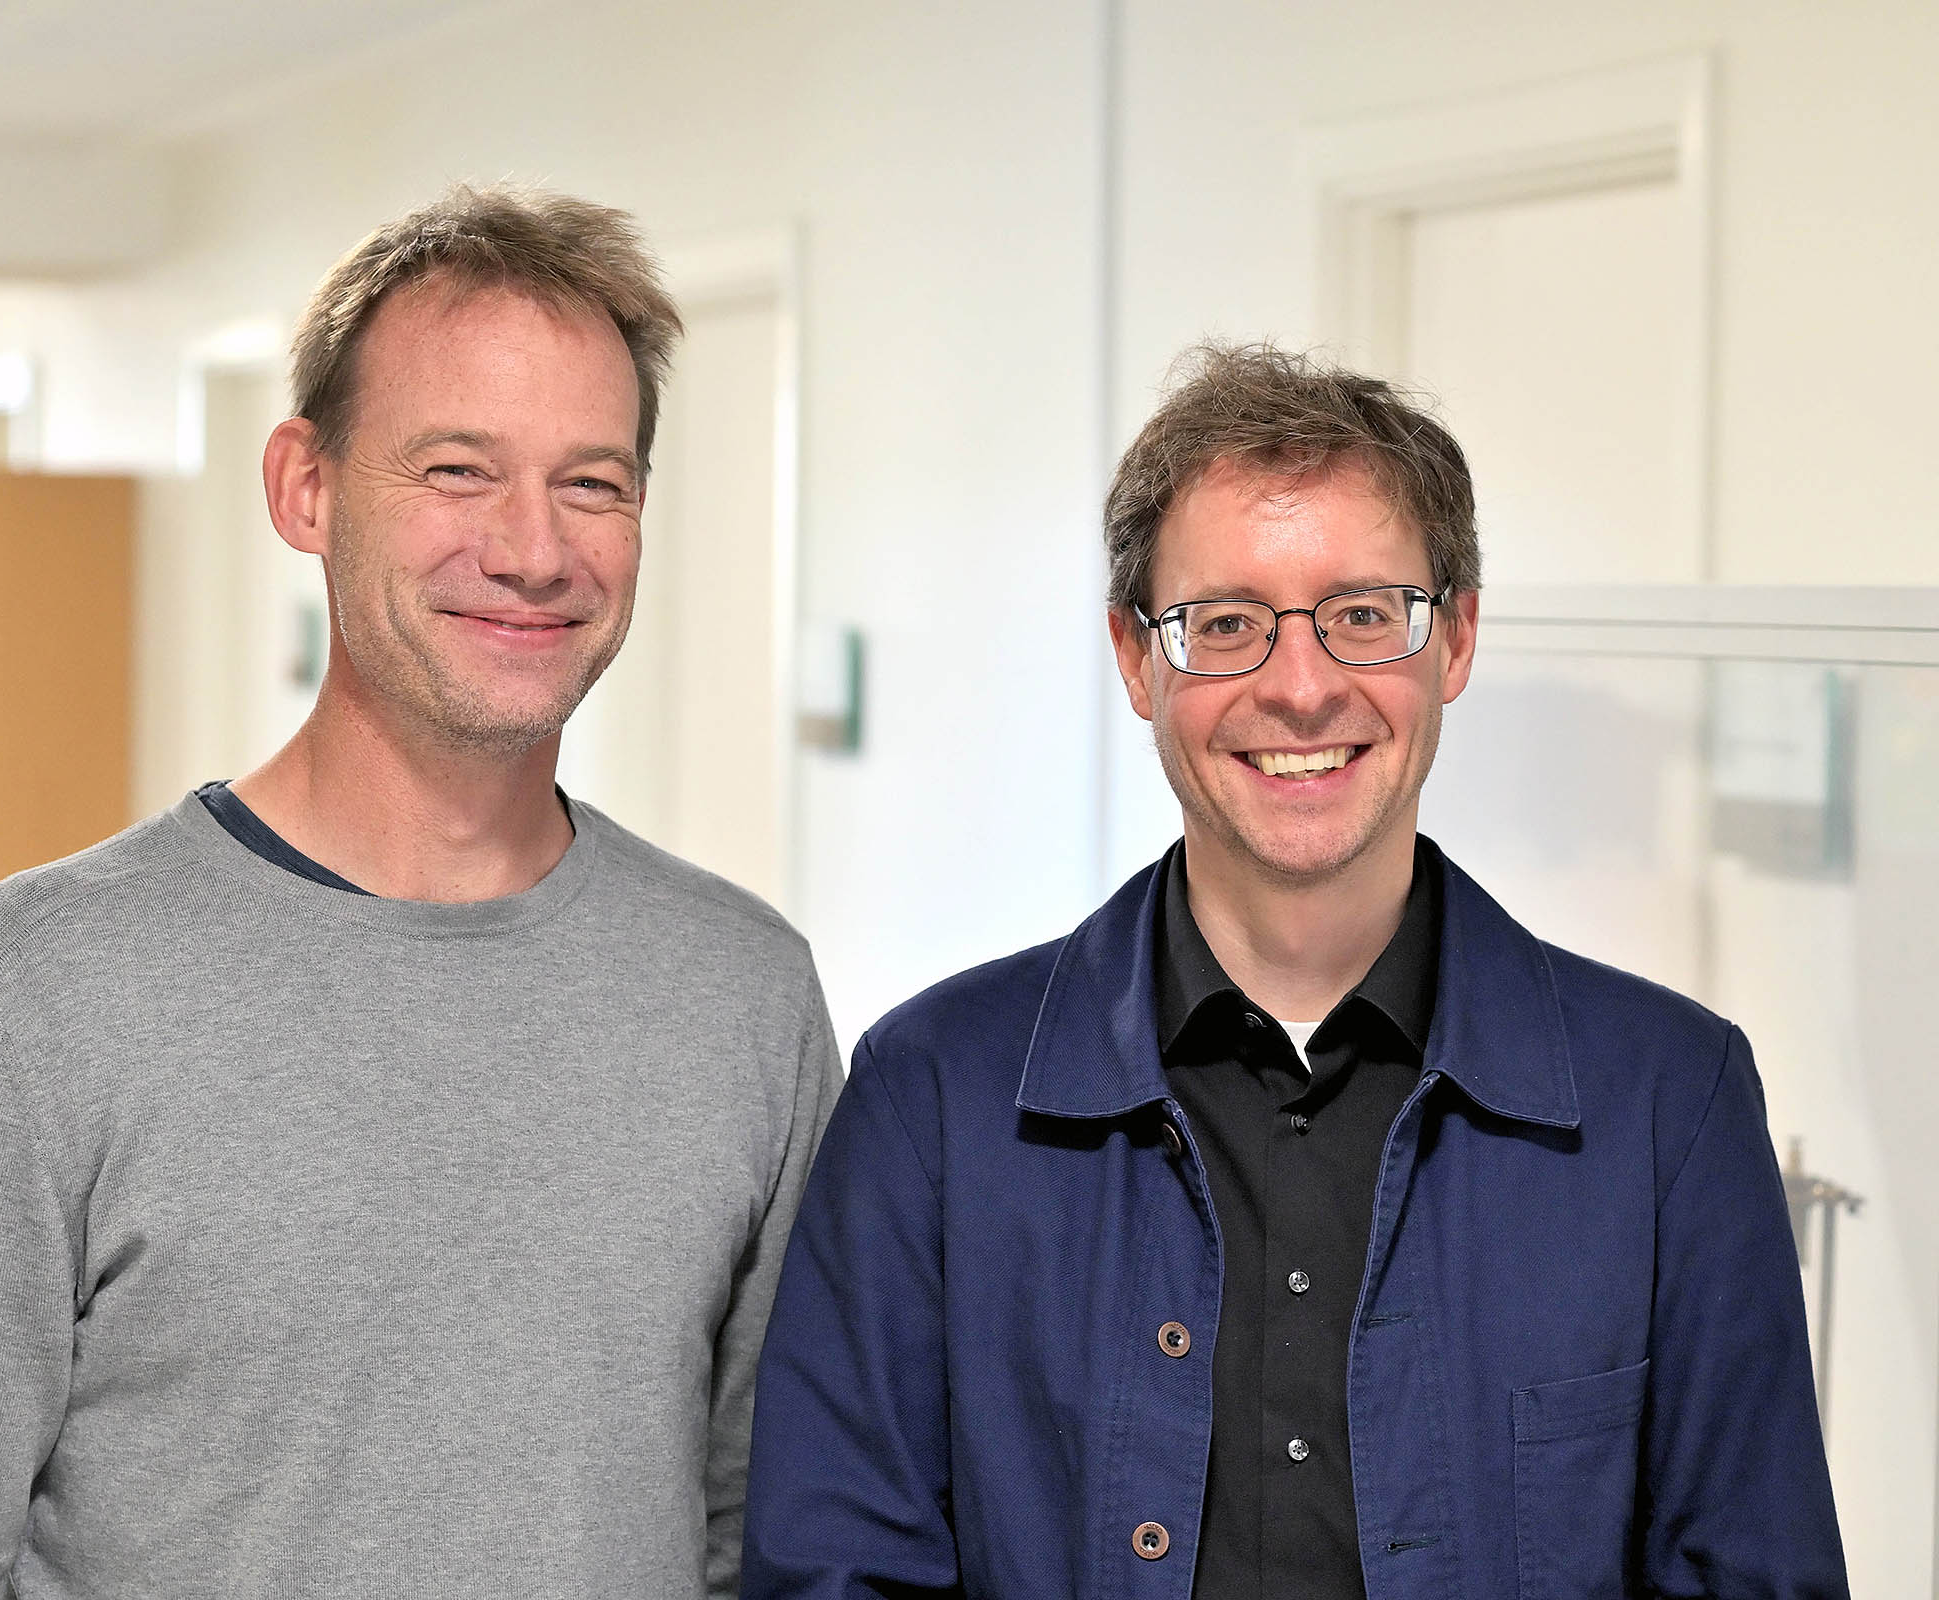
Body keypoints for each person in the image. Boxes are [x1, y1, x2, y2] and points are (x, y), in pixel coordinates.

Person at [0, 185, 842, 1600]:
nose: (534, 549)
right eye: (457, 471)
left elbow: (764, 1542)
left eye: (591, 482)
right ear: (305, 487)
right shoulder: (40, 992)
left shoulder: (746, 998)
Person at [742, 344, 1847, 1598]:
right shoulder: (931, 1098)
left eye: (1364, 615)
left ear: (1458, 640)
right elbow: (835, 1573)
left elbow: (1753, 1573)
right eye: (1226, 624)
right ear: (1136, 658)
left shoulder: (1670, 1101)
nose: (1303, 685)